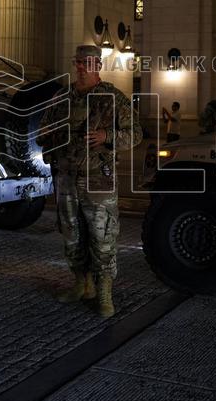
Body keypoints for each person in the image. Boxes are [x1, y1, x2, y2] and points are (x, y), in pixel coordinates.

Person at [36, 45, 142, 318]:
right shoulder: (61, 98)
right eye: (77, 62)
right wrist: (47, 135)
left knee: (102, 236)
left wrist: (107, 137)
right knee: (71, 234)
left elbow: (136, 134)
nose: (80, 67)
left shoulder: (113, 98)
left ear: (97, 66)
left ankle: (104, 293)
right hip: (67, 178)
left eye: (85, 63)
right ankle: (81, 284)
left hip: (98, 181)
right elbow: (42, 132)